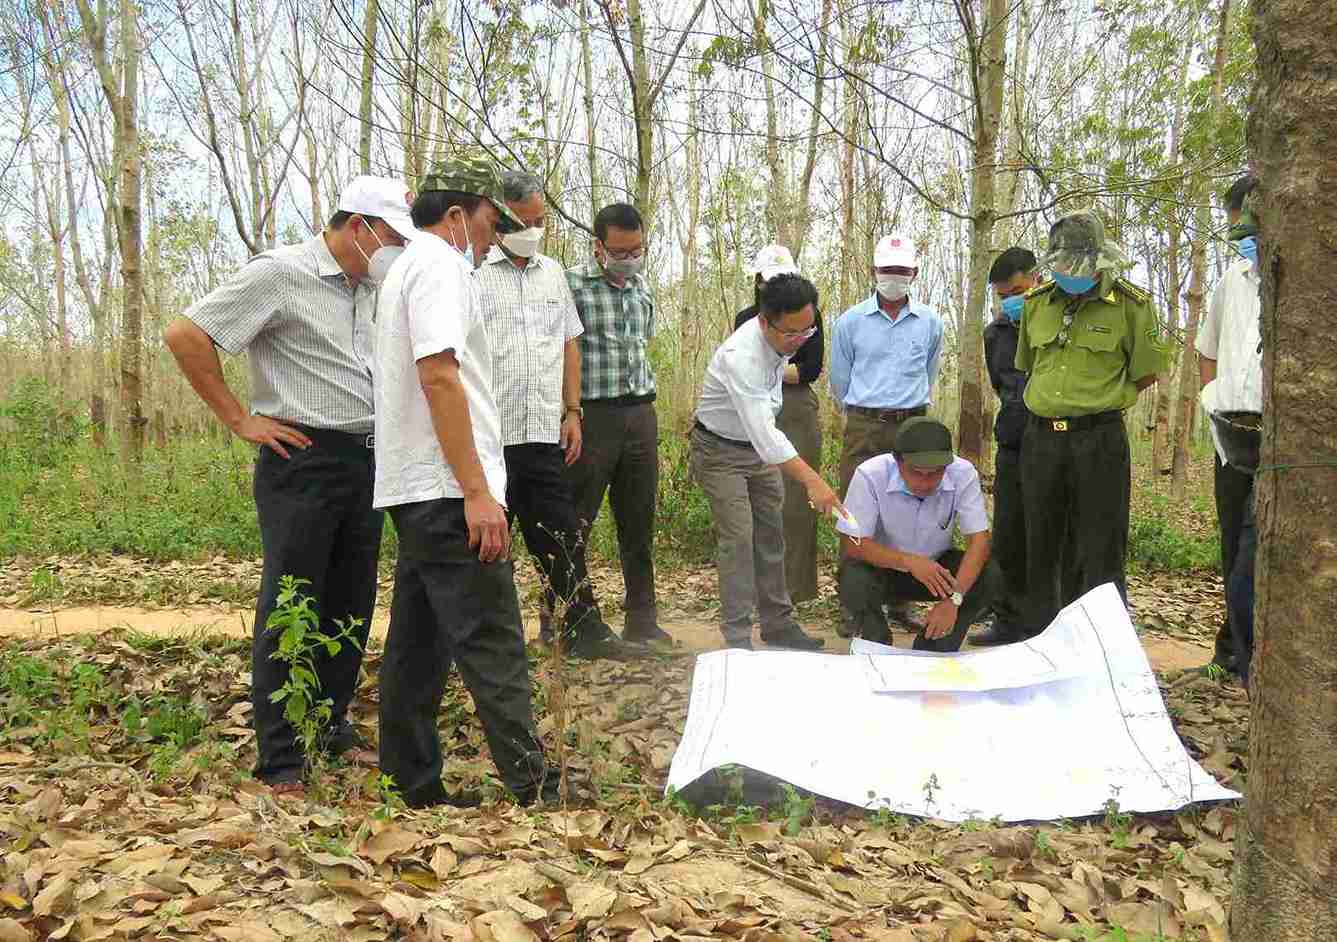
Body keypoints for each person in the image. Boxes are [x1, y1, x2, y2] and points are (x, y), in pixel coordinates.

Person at [163, 176, 415, 797]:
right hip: (301, 457)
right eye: (388, 239)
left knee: (350, 601)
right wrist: (238, 417)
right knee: (291, 601)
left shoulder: (371, 286)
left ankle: (328, 727)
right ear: (357, 226)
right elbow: (187, 335)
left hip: (368, 459)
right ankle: (280, 758)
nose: (393, 253)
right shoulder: (280, 273)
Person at [372, 155, 558, 809]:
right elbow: (439, 376)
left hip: (419, 485)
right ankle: (536, 792)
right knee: (492, 640)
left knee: (417, 646)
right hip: (448, 490)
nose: (495, 236)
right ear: (457, 215)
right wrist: (477, 491)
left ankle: (409, 783)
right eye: (490, 220)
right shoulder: (441, 267)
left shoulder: (408, 268)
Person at [474, 171, 639, 661]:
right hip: (492, 437)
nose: (533, 229)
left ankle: (584, 631)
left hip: (544, 431)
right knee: (489, 545)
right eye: (523, 221)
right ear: (500, 219)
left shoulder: (552, 273)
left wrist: (573, 411)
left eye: (539, 220)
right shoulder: (473, 276)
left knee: (562, 536)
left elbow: (569, 342)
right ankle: (493, 643)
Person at [1015, 211, 1168, 632]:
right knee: (1042, 544)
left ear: (1100, 261)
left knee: (1100, 546)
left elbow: (1147, 372)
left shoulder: (1132, 306)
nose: (1069, 274)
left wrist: (1096, 401)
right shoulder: (1036, 304)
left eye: (1078, 266)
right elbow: (1030, 365)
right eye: (1062, 266)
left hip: (1098, 439)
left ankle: (1103, 643)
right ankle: (1041, 639)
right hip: (1042, 440)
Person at [693, 273, 840, 650]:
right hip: (720, 451)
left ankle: (778, 623)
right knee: (739, 538)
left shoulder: (787, 344)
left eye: (807, 331)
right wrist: (813, 480)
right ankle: (738, 636)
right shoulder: (741, 356)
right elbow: (765, 434)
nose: (799, 340)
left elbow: (765, 434)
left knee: (772, 533)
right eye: (790, 333)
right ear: (764, 321)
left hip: (755, 453)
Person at [566, 203, 670, 645]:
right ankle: (569, 618)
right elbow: (562, 353)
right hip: (593, 415)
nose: (629, 258)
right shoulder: (572, 285)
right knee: (575, 522)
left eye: (637, 249)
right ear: (598, 246)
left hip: (640, 413)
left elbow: (641, 343)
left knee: (638, 520)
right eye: (620, 251)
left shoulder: (642, 286)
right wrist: (570, 412)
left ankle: (642, 619)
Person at [836, 417, 1002, 652]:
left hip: (936, 572)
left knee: (990, 574)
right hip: (885, 570)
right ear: (897, 461)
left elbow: (979, 542)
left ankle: (933, 645)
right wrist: (908, 561)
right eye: (916, 472)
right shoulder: (870, 474)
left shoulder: (963, 473)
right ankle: (876, 643)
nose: (925, 483)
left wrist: (954, 599)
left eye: (935, 474)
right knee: (852, 577)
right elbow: (853, 544)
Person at [1197, 175, 1263, 683]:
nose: (1238, 234)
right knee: (1231, 546)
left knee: (1258, 549)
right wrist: (1211, 402)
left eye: (1244, 223)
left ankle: (1255, 651)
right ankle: (1233, 647)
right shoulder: (1230, 279)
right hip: (1229, 436)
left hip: (1282, 441)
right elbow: (1208, 349)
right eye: (1233, 226)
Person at [733, 245, 825, 603]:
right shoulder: (744, 318)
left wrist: (769, 369)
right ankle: (760, 592)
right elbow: (741, 368)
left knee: (798, 503)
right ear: (758, 283)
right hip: (753, 408)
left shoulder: (811, 316)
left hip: (796, 409)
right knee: (758, 501)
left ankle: (798, 591)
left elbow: (810, 370)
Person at [829, 233, 944, 498]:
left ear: (914, 273)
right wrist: (863, 414)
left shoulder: (930, 322)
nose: (894, 276)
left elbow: (929, 372)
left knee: (912, 503)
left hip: (913, 425)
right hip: (864, 427)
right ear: (874, 271)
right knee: (856, 503)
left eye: (901, 270)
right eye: (887, 270)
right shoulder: (850, 322)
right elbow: (840, 381)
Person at [975, 247, 1038, 646]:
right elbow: (1001, 385)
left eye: (1017, 290)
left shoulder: (1061, 320)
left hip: (1055, 439)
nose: (1010, 300)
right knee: (1010, 531)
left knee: (1050, 531)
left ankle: (1052, 620)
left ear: (1037, 278)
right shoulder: (994, 333)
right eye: (1002, 295)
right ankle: (1008, 620)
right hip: (1013, 439)